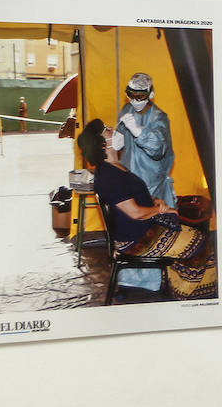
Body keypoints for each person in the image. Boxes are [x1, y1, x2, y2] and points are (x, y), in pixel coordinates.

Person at [77, 119, 214, 298]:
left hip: (142, 231)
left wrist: (156, 201)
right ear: (103, 145)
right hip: (135, 241)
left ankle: (180, 289)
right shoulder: (109, 175)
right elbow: (134, 212)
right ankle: (190, 296)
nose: (112, 130)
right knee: (199, 242)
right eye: (106, 130)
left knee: (193, 236)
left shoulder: (115, 168)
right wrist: (161, 210)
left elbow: (135, 196)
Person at [111, 72, 178, 291]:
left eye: (140, 97)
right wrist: (117, 140)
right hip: (129, 179)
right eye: (131, 96)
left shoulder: (159, 117)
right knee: (131, 230)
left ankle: (151, 282)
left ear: (151, 94)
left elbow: (158, 149)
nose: (135, 101)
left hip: (151, 182)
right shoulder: (126, 111)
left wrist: (138, 132)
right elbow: (119, 139)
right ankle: (128, 279)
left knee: (150, 233)